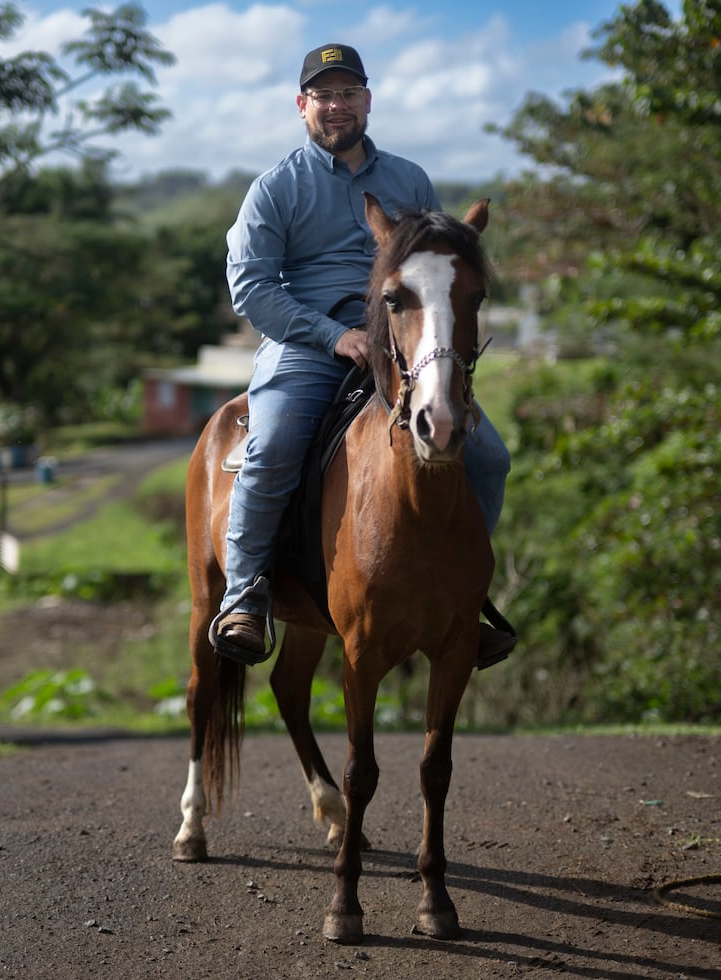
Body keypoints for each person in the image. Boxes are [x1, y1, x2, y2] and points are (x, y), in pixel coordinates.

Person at [212, 43, 514, 669]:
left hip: (401, 344)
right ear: (302, 106)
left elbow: (435, 269)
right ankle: (244, 596)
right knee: (273, 447)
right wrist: (332, 335)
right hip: (307, 343)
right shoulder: (274, 189)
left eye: (349, 93)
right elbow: (252, 288)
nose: (337, 105)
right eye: (324, 95)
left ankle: (466, 595)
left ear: (368, 101)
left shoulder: (411, 181)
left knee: (488, 456)